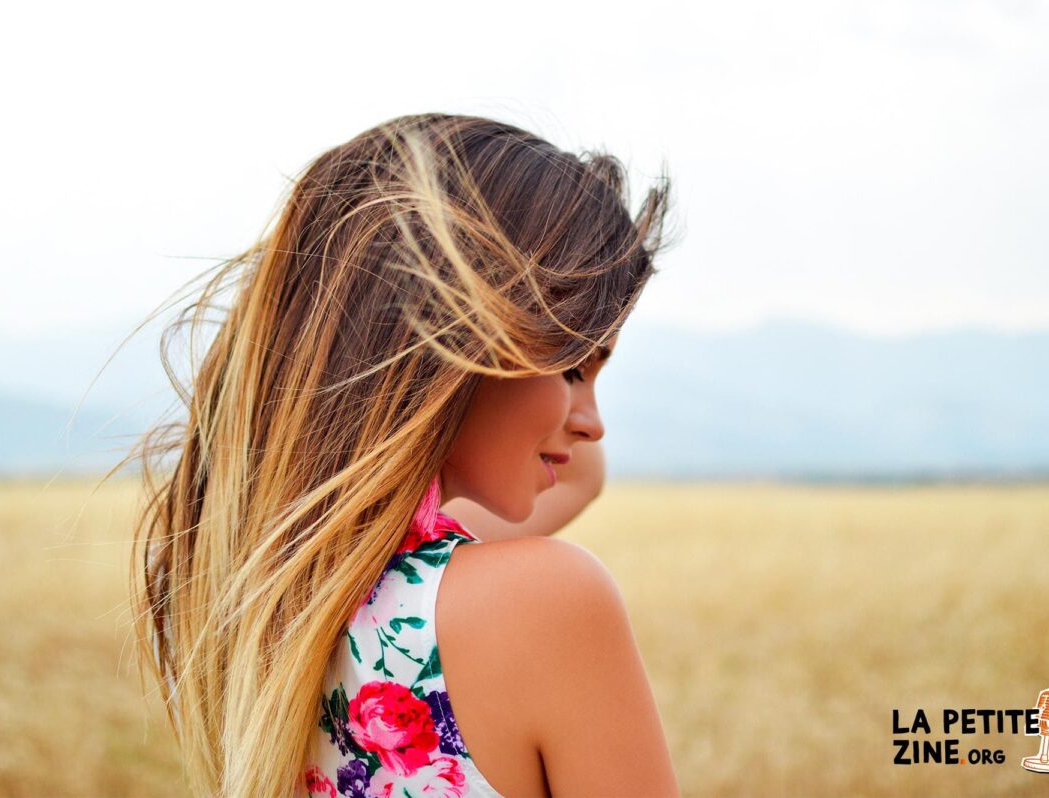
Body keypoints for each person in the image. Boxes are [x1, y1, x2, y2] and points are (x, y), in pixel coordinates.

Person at [126, 113, 679, 797]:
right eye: (572, 366)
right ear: (453, 344)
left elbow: (575, 471)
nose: (592, 426)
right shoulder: (546, 602)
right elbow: (582, 477)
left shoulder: (254, 587)